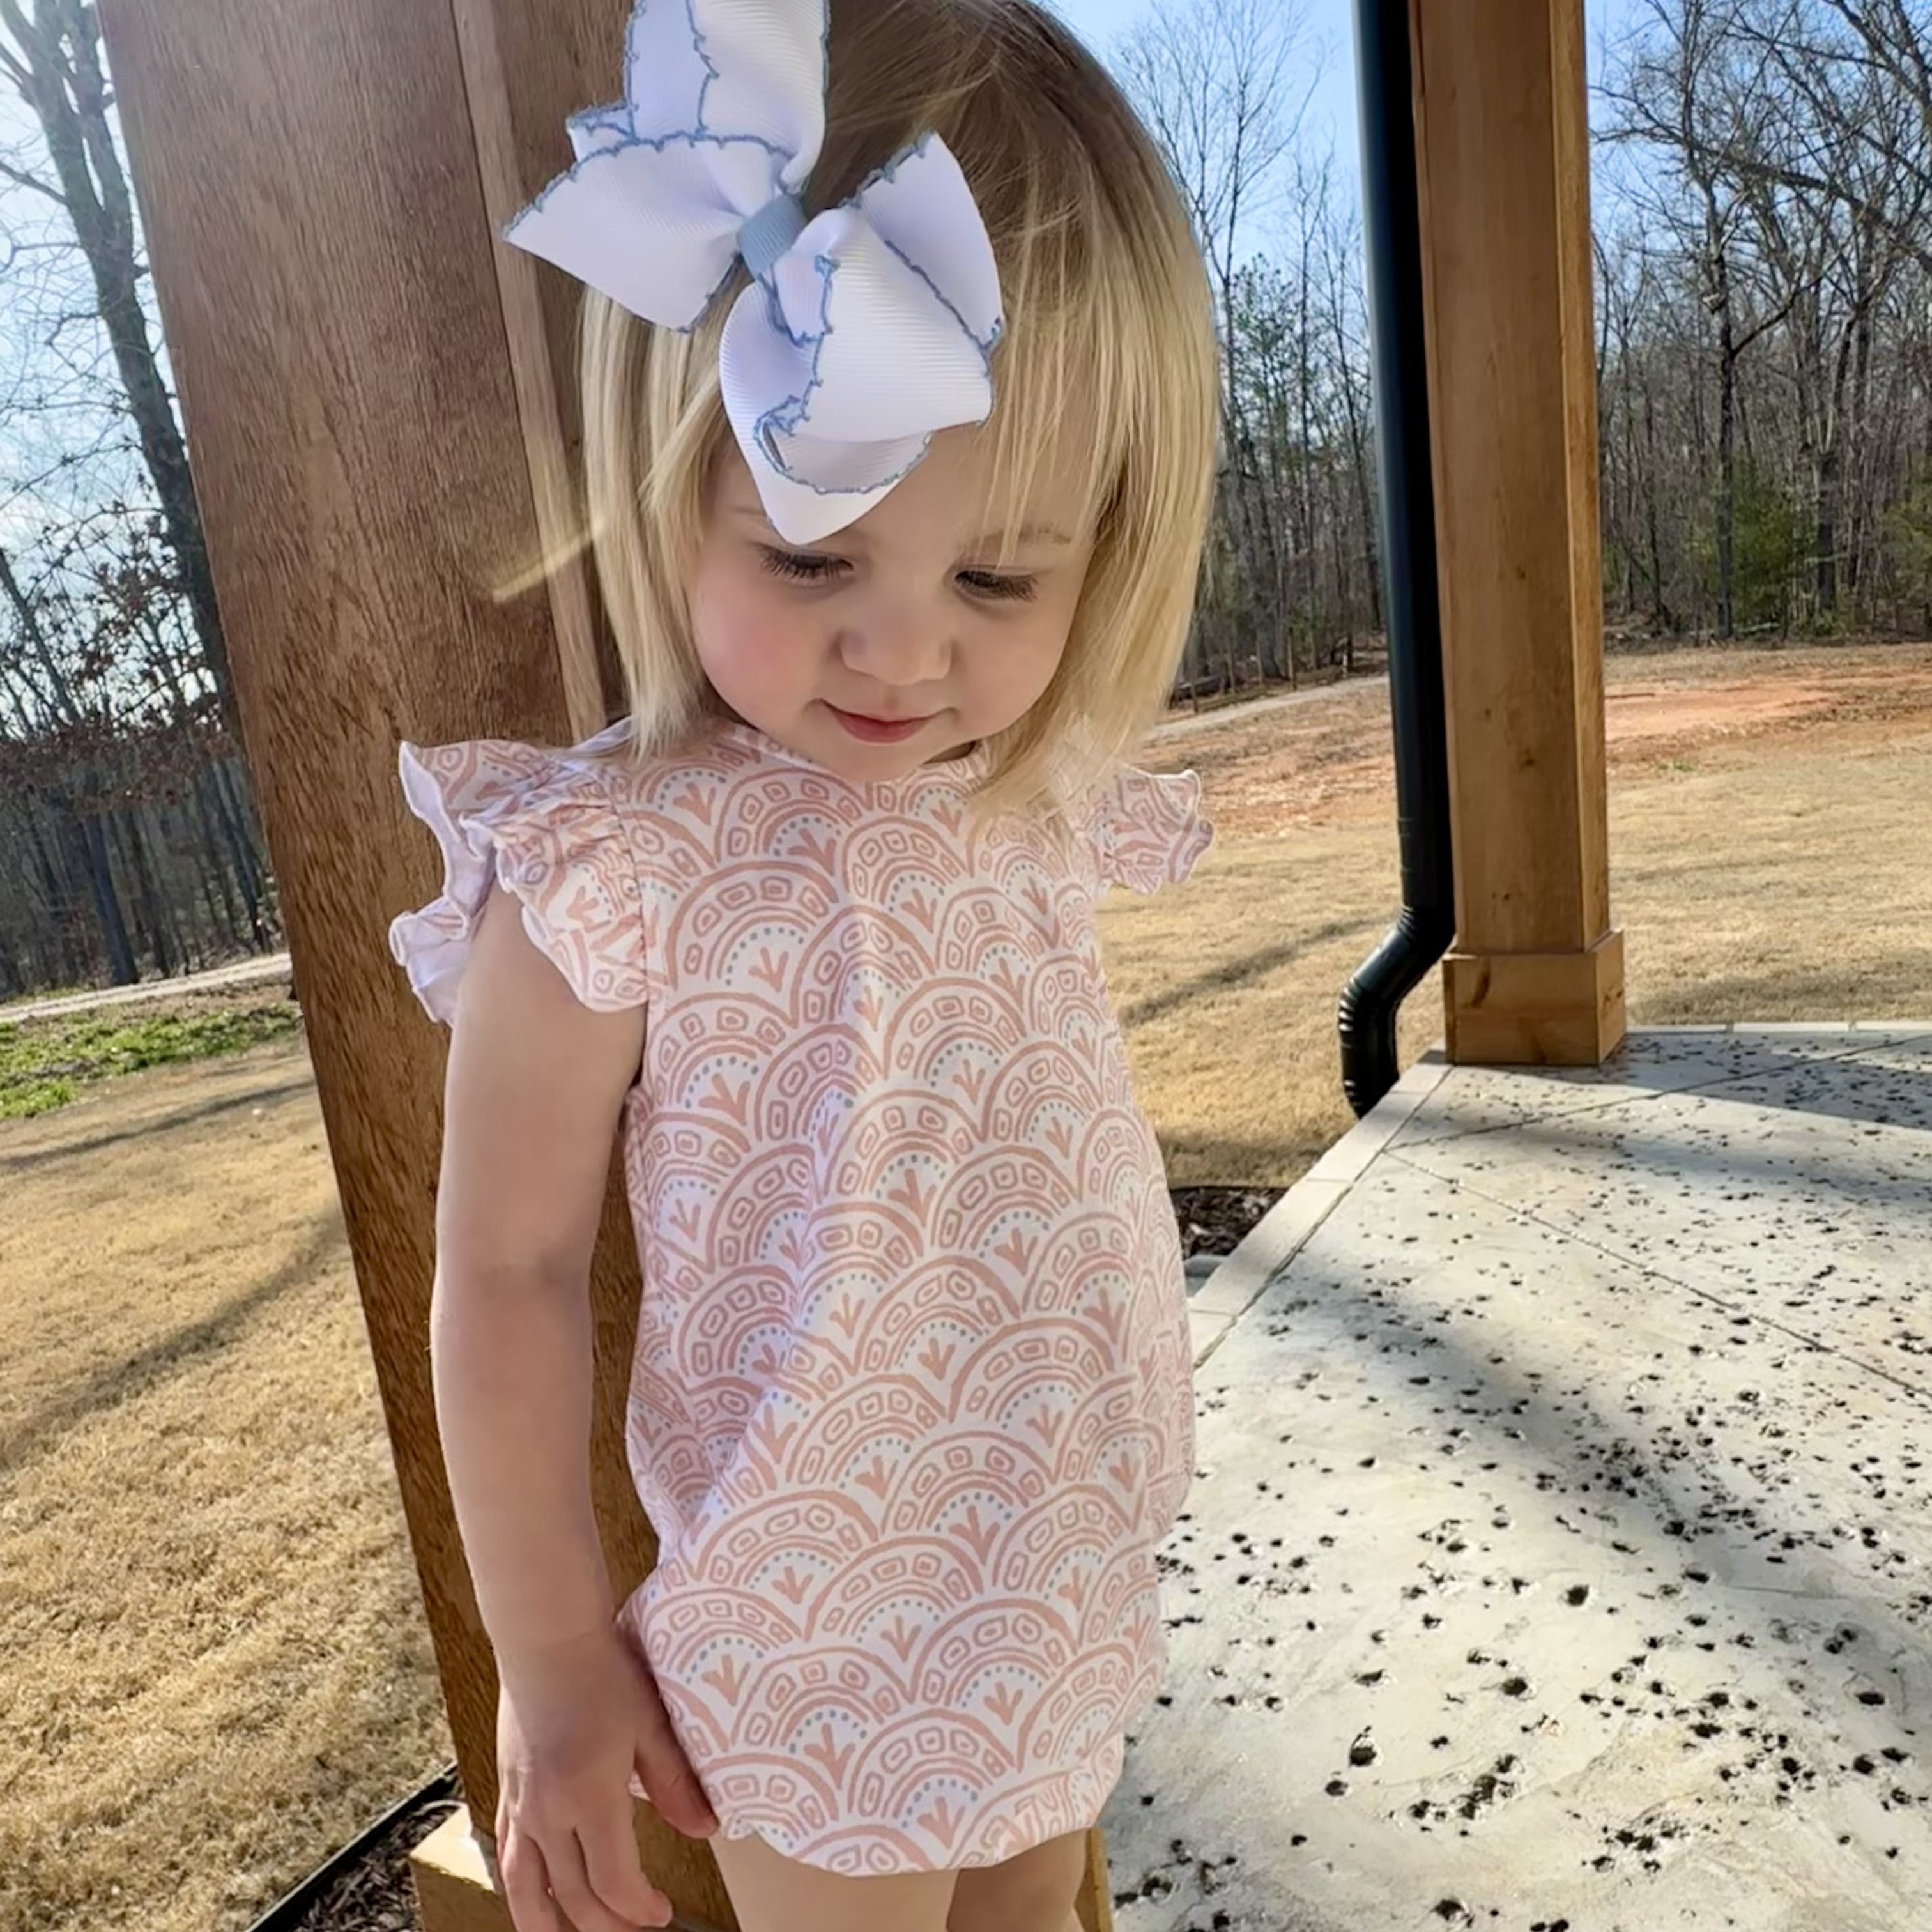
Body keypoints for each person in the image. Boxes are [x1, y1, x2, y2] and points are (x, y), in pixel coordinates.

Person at [388, 1, 1219, 1928]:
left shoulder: (1040, 808)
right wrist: (557, 1658)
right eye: (812, 559)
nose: (903, 655)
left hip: (1059, 1566)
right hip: (809, 1638)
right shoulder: (619, 864)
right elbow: (504, 1270)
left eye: (998, 579)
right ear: (673, 485)